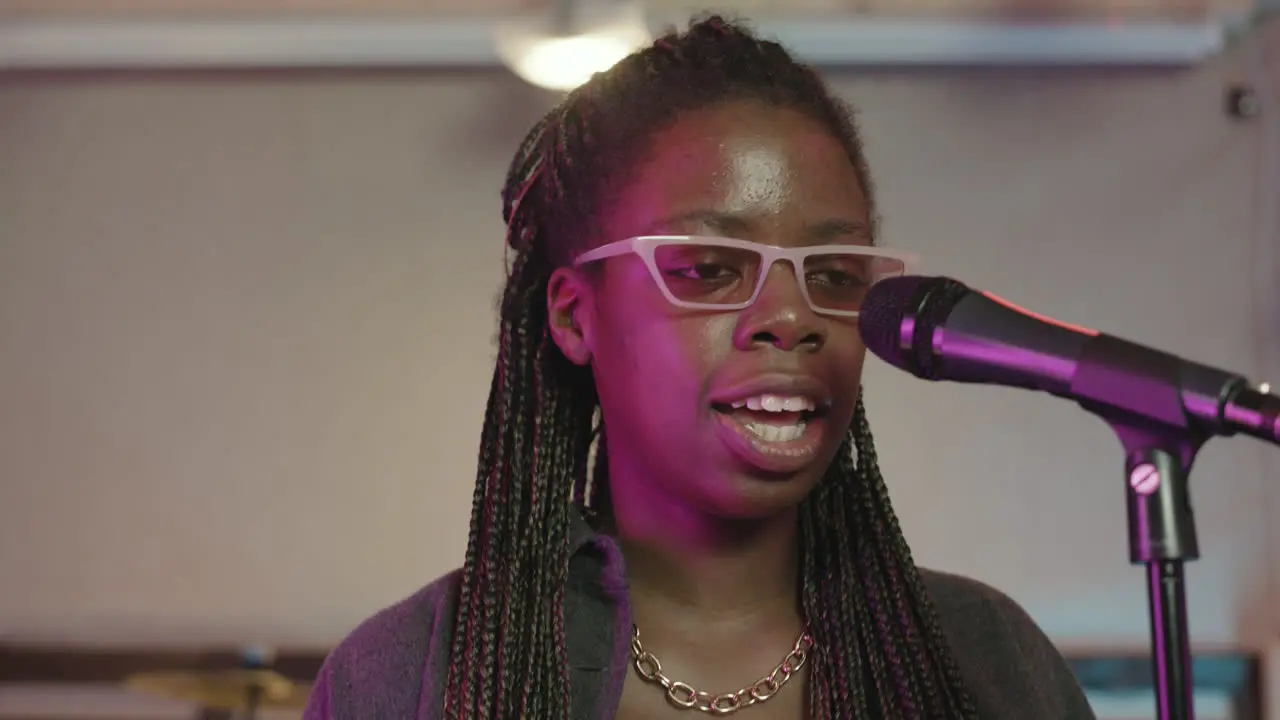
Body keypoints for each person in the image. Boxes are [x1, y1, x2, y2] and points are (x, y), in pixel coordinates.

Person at [303, 15, 1097, 720]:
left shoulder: (986, 660)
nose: (791, 318)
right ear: (576, 315)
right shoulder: (413, 677)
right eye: (710, 268)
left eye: (832, 274)